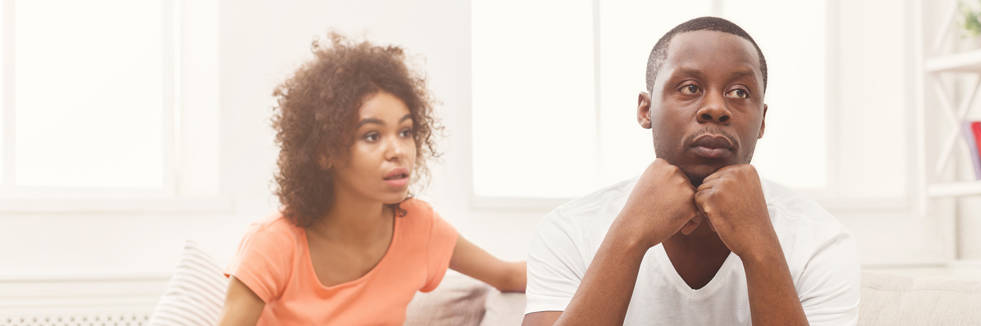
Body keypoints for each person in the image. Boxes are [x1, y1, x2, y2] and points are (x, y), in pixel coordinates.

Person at [522, 17, 859, 326]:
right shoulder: (568, 231)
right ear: (646, 109)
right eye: (690, 88)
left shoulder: (820, 242)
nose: (715, 108)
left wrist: (760, 246)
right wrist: (629, 234)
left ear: (762, 121)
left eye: (739, 92)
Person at [218, 32, 526, 325]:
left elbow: (509, 276)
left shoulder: (421, 229)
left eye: (405, 132)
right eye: (372, 136)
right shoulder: (273, 243)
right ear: (325, 152)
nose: (397, 151)